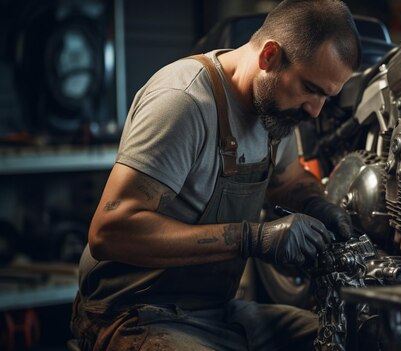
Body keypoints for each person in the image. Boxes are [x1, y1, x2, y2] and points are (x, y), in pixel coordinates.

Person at [70, 0, 361, 350]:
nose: (315, 111)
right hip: (132, 314)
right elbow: (110, 232)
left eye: (327, 96)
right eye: (311, 89)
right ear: (269, 56)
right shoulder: (183, 102)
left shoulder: (274, 111)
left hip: (217, 312)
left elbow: (288, 180)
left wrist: (318, 204)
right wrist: (252, 239)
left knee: (360, 337)